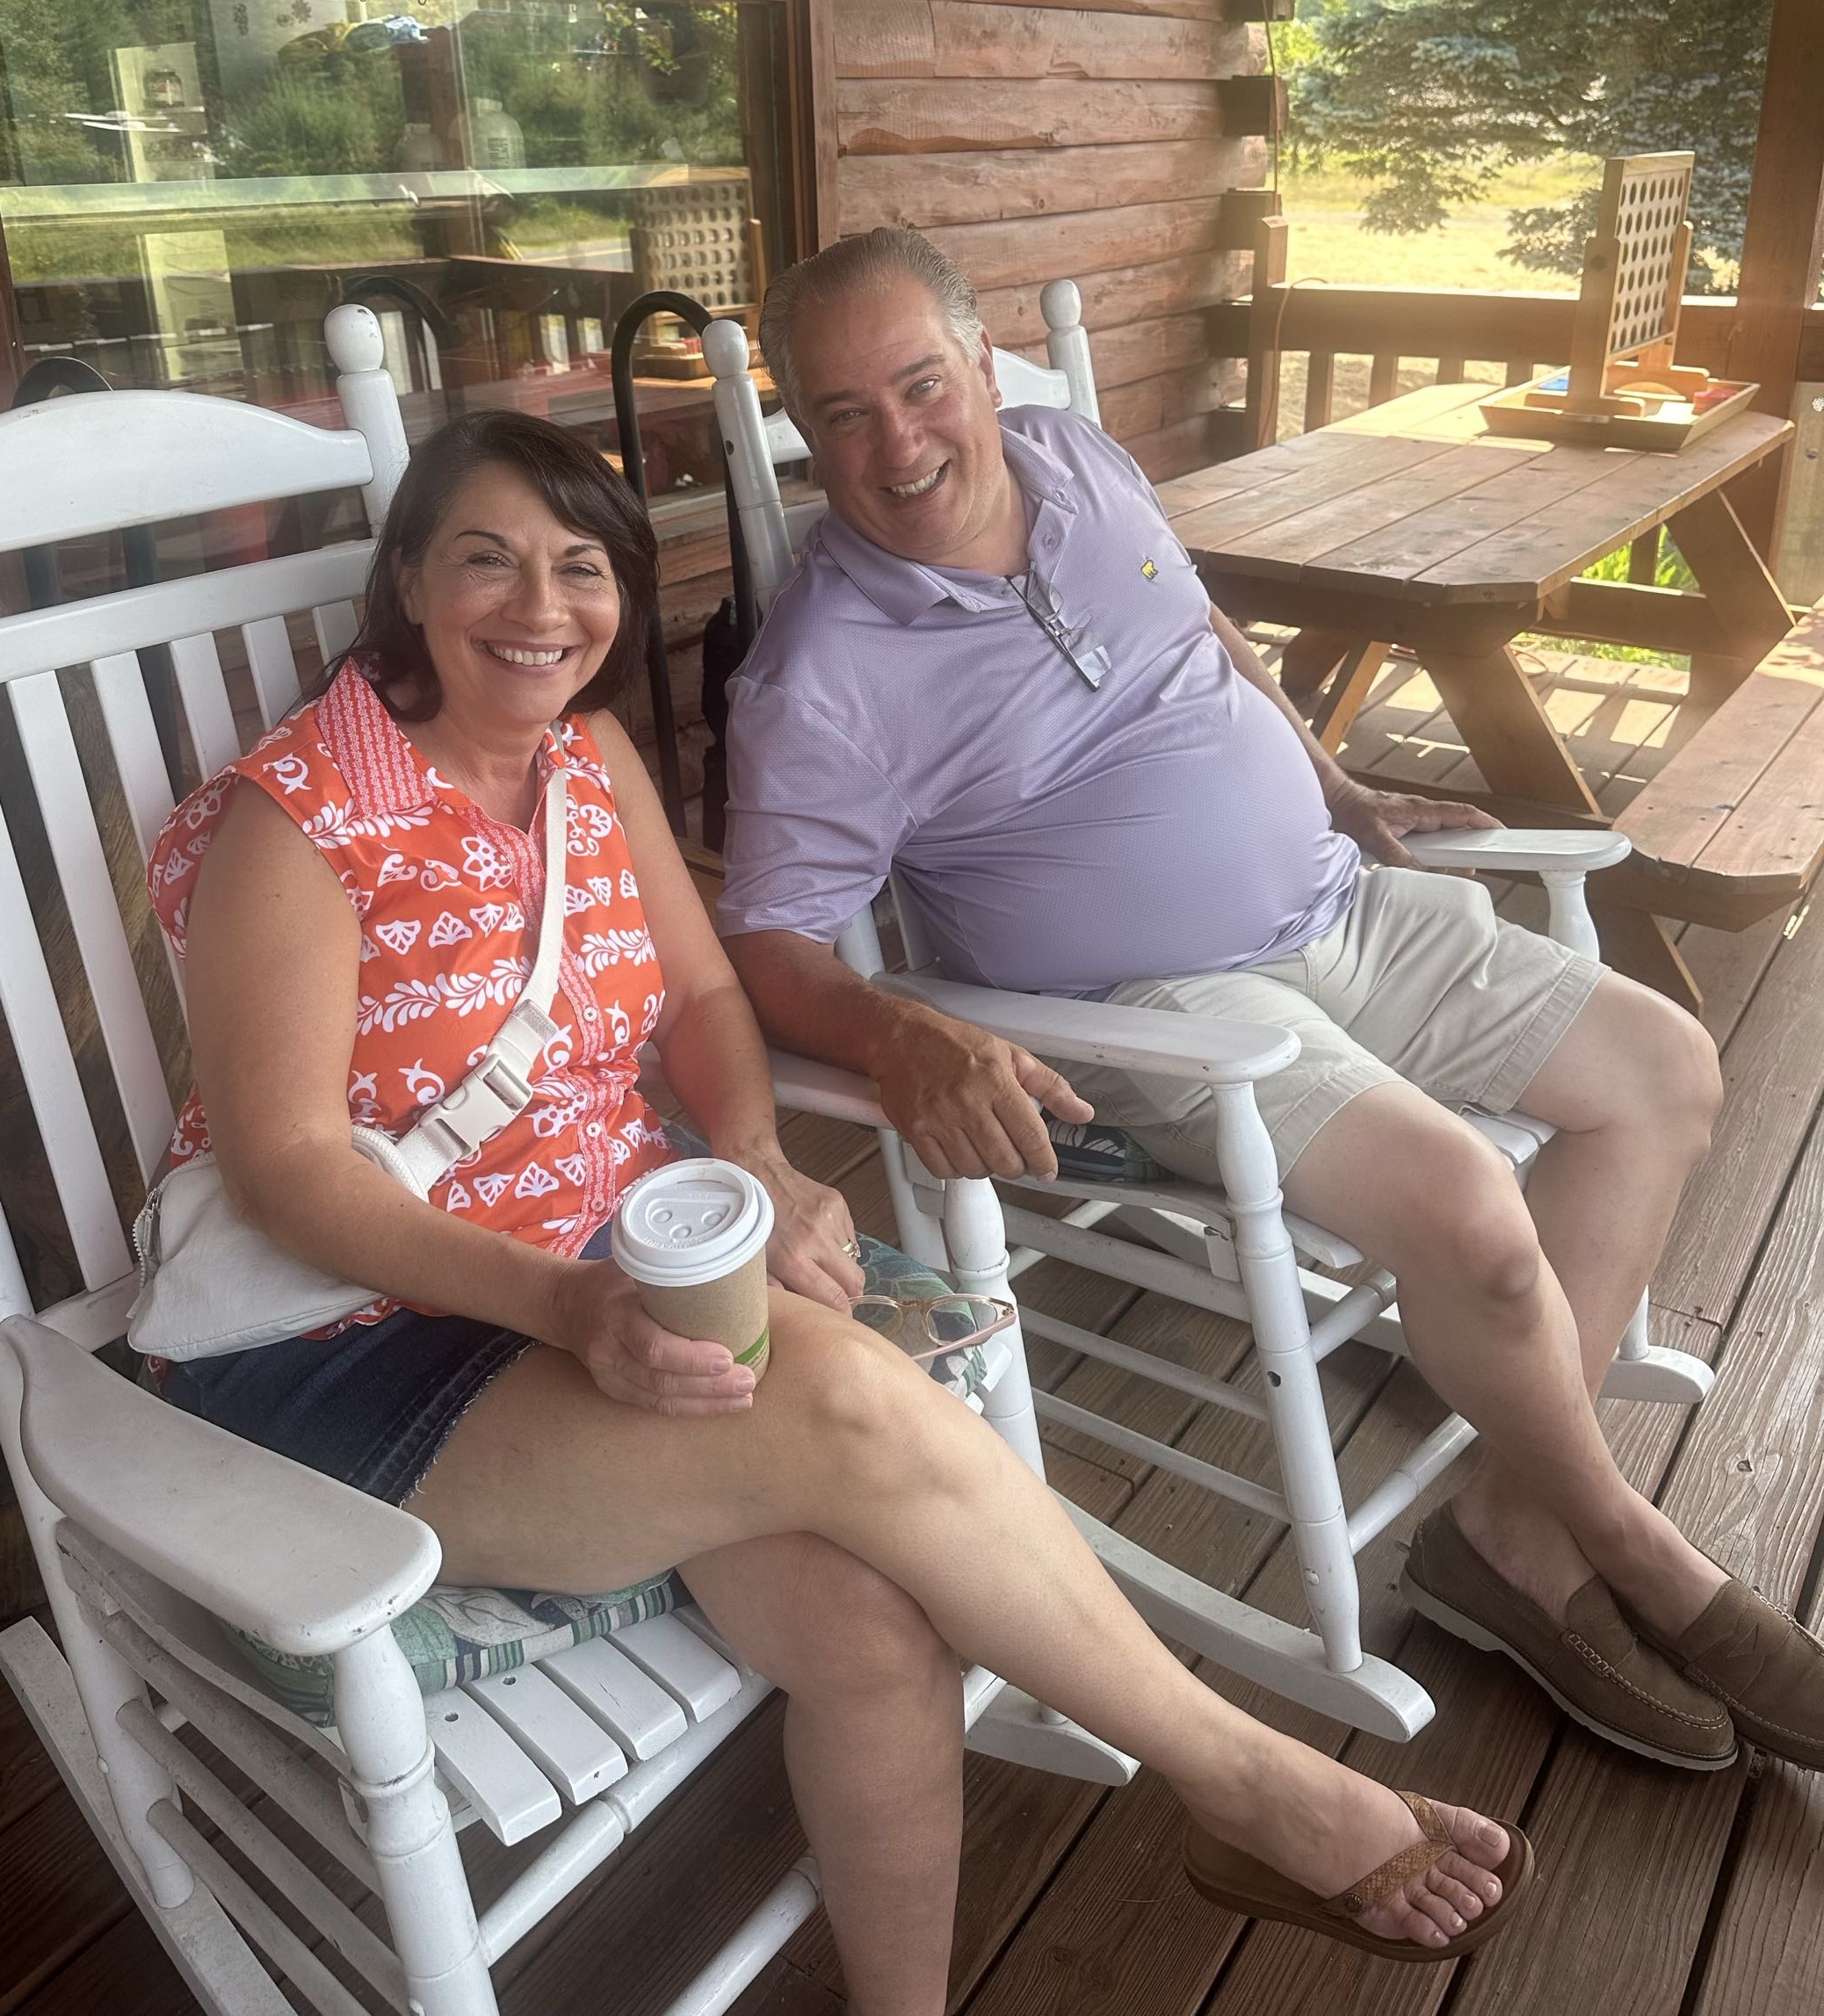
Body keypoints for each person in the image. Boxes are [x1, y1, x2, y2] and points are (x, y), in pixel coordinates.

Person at [145, 408, 1531, 2016]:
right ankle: (1246, 1781)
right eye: (487, 561)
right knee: (852, 1408)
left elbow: (706, 998)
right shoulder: (297, 815)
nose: (541, 608)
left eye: (580, 568)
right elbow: (289, 1167)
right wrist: (571, 1307)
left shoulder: (589, 764)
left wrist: (762, 1165)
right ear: (407, 581)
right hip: (357, 1348)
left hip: (604, 1272)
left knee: (880, 1630)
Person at [718, 226, 1824, 1787]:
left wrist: (1340, 781)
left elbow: (1199, 632)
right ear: (803, 429)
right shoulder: (819, 676)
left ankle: (1510, 1526)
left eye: (920, 384)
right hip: (1166, 1010)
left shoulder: (1076, 455)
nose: (896, 444)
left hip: (1343, 899)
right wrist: (905, 1030)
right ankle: (1639, 1546)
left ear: (981, 364)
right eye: (841, 415)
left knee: (1666, 1063)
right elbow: (764, 943)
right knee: (1470, 1212)